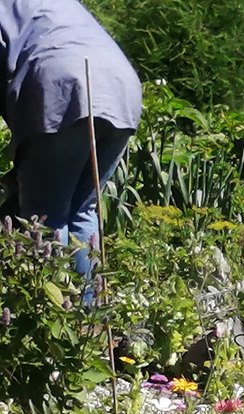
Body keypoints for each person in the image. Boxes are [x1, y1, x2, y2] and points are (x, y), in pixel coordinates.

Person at [0, 0, 142, 304]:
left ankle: (45, 321)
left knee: (44, 218)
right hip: (121, 87)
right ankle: (88, 318)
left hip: (61, 83)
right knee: (82, 210)